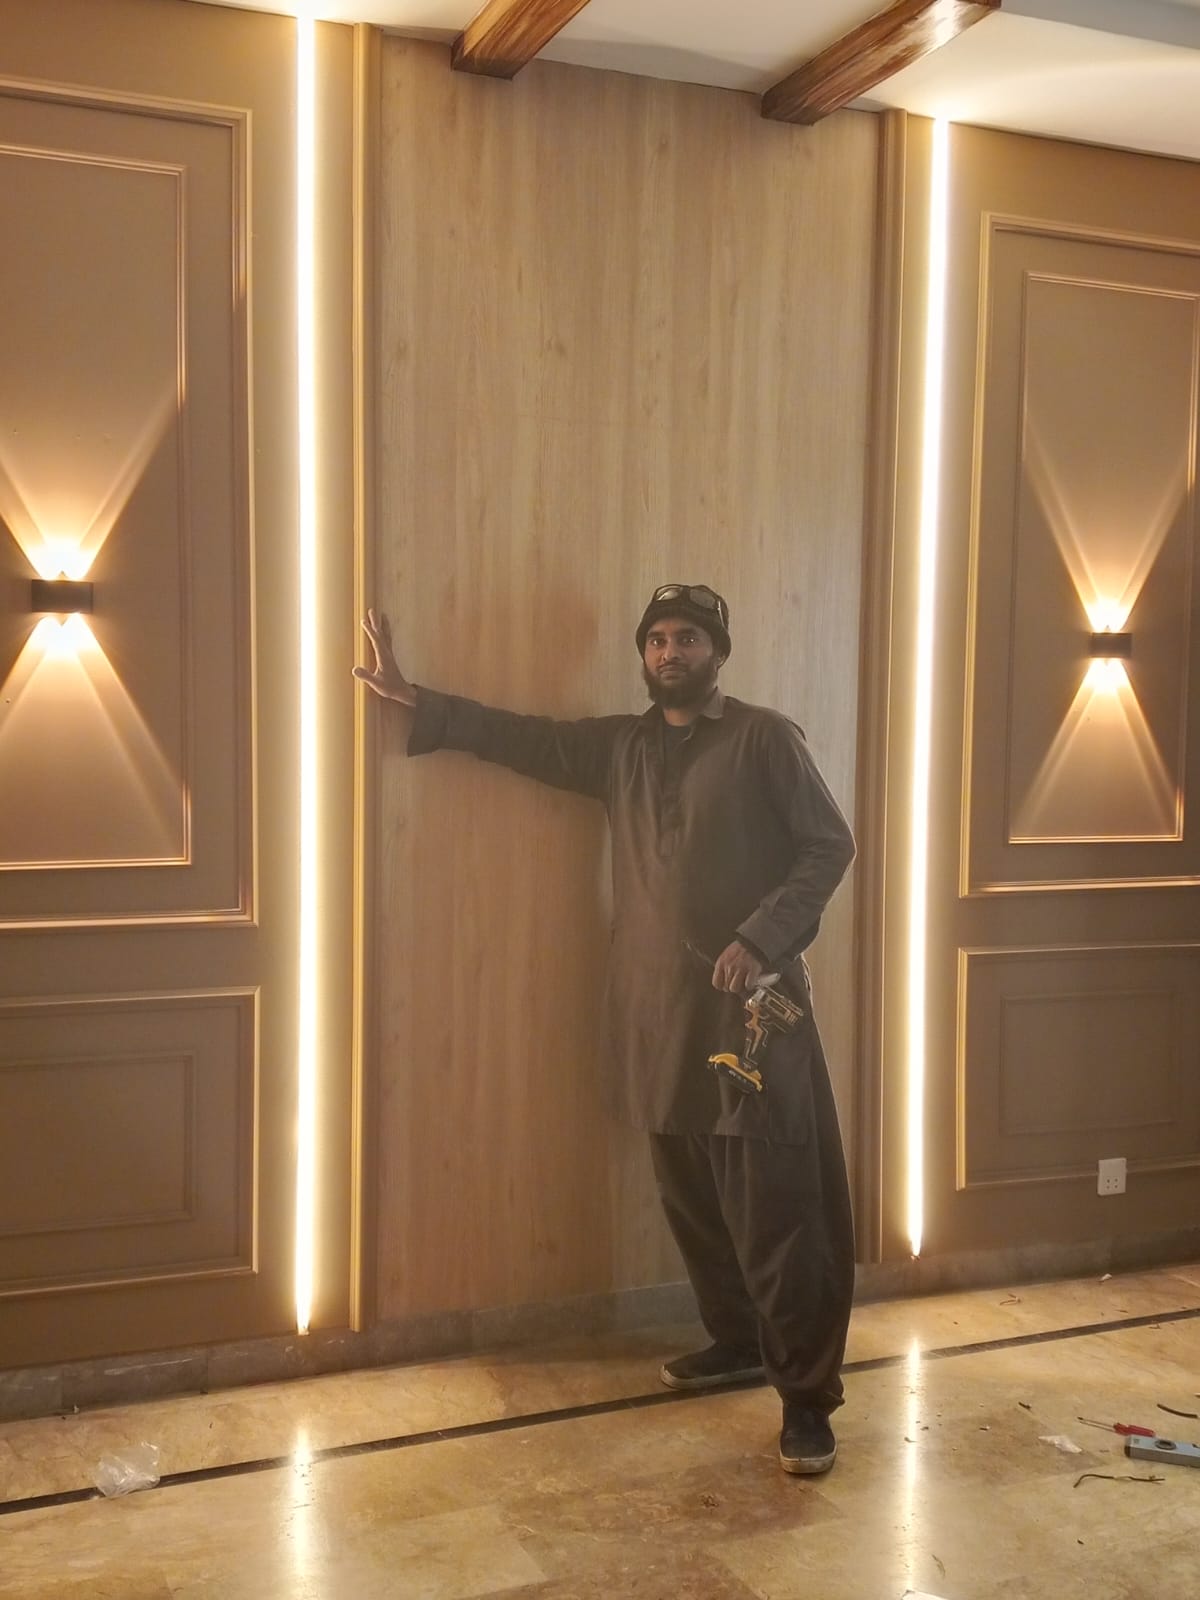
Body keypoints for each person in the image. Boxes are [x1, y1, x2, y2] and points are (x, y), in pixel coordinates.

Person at [354, 583, 856, 1474]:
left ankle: (806, 1402)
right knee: (691, 1197)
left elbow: (829, 845)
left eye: (689, 638)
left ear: (718, 652)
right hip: (655, 1014)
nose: (671, 653)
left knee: (776, 1212)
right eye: (657, 639)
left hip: (751, 1017)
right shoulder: (622, 747)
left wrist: (760, 936)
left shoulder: (764, 739)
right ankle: (736, 1340)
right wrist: (418, 700)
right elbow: (526, 739)